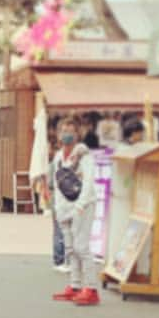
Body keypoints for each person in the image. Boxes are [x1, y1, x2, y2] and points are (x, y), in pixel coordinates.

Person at [51, 116, 99, 305]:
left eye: (70, 131)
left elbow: (88, 182)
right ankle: (75, 285)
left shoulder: (84, 155)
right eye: (63, 130)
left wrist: (80, 206)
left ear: (77, 134)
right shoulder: (58, 156)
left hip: (83, 206)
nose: (66, 134)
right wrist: (59, 210)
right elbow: (57, 184)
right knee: (70, 249)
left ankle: (92, 288)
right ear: (58, 133)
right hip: (65, 208)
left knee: (81, 247)